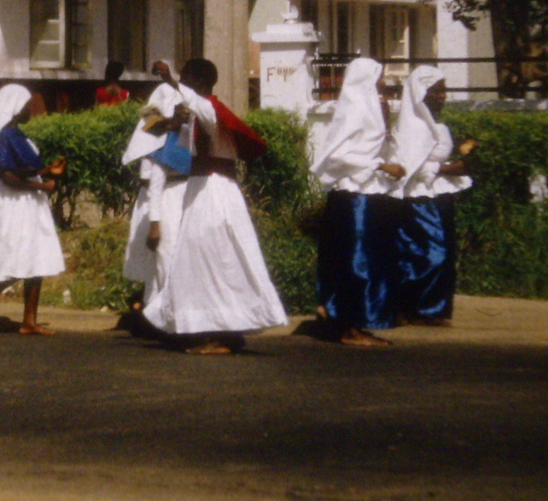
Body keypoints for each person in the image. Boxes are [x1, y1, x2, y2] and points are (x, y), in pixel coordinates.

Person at [142, 58, 288, 354]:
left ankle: (224, 333)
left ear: (196, 83)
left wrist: (172, 80)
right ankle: (216, 330)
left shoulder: (209, 109)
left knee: (214, 260)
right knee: (205, 262)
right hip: (204, 189)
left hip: (213, 190)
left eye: (186, 82)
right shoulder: (200, 114)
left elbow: (198, 105)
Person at [310, 56, 407, 347]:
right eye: (378, 76)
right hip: (354, 197)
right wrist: (380, 165)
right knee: (359, 262)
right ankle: (351, 326)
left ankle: (341, 314)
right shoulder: (354, 109)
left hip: (366, 194)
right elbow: (337, 154)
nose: (382, 82)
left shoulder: (370, 108)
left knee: (365, 260)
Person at [0, 83, 66, 335]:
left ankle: (29, 320)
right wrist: (40, 186)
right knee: (16, 259)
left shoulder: (17, 135)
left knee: (35, 259)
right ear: (15, 108)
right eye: (27, 105)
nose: (30, 109)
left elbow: (23, 168)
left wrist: (46, 170)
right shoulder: (6, 136)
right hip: (14, 203)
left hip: (28, 201)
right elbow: (8, 177)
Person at [390, 66, 473, 326]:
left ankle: (433, 309)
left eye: (444, 91)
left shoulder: (437, 125)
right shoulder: (412, 129)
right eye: (436, 91)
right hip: (419, 198)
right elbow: (410, 166)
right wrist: (446, 168)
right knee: (428, 253)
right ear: (420, 93)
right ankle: (414, 307)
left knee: (445, 253)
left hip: (439, 195)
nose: (442, 96)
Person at [120, 63, 185, 309]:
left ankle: (155, 308)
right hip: (154, 199)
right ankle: (152, 308)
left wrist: (171, 78)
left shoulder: (178, 138)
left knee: (166, 258)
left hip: (170, 197)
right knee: (156, 258)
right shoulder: (154, 140)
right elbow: (150, 119)